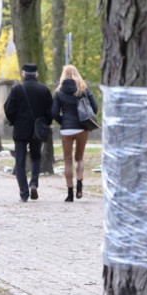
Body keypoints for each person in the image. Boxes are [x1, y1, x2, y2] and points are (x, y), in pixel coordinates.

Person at [3, 63, 53, 202]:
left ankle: (24, 193)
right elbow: (51, 111)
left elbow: (8, 109)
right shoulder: (44, 90)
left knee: (20, 161)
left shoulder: (17, 89)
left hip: (20, 130)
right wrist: (45, 123)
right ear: (36, 75)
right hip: (37, 131)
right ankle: (34, 183)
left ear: (23, 74)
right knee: (36, 157)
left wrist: (14, 121)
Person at [51, 64, 98, 202]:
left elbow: (54, 112)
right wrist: (84, 120)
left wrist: (63, 121)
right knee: (79, 158)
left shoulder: (59, 92)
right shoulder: (83, 89)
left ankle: (70, 193)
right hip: (82, 128)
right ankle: (79, 185)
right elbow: (94, 108)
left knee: (67, 160)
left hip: (66, 128)